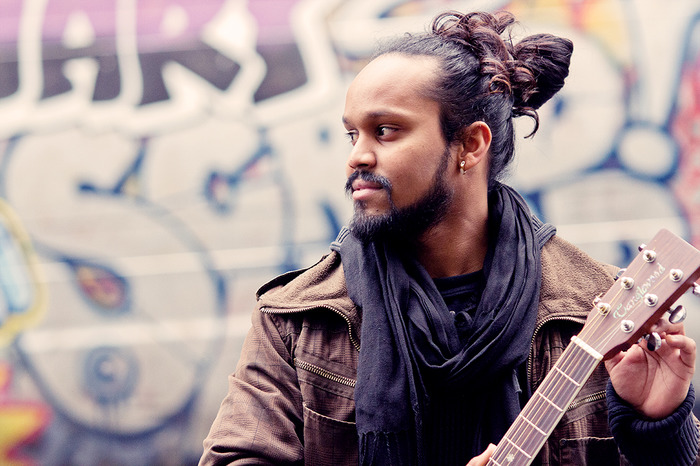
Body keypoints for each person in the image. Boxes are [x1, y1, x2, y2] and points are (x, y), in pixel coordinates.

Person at [200, 10, 700, 466]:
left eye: (386, 131)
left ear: (470, 144)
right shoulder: (296, 320)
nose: (357, 156)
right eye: (353, 134)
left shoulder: (598, 313)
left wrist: (659, 428)